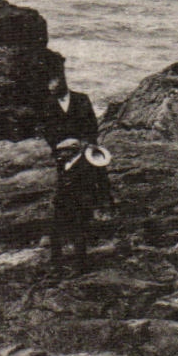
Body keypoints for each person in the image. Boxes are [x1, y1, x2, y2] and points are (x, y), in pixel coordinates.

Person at [39, 62, 113, 270]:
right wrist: (60, 145)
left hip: (82, 159)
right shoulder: (47, 104)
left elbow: (92, 127)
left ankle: (81, 259)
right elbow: (47, 132)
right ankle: (56, 259)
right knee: (60, 212)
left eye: (54, 83)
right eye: (49, 85)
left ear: (62, 81)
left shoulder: (82, 99)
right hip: (62, 162)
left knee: (82, 209)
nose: (52, 87)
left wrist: (83, 143)